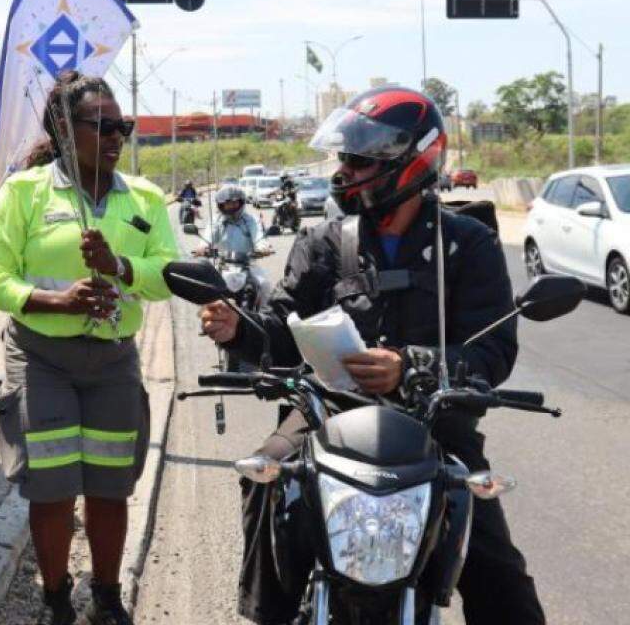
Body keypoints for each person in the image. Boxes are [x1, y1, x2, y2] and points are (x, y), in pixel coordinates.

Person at [199, 86, 545, 624]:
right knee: (264, 476)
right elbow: (283, 328)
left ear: (410, 162)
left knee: (495, 564)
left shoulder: (468, 244)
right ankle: (268, 615)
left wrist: (411, 366)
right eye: (345, 158)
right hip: (330, 415)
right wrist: (235, 330)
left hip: (435, 421)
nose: (345, 172)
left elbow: (494, 350)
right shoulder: (324, 242)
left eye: (360, 160)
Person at [0, 71, 179, 625]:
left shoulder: (144, 198)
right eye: (103, 126)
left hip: (113, 358)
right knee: (52, 488)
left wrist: (119, 267)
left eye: (124, 127)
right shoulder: (24, 193)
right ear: (65, 131)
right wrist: (53, 301)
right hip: (42, 357)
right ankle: (56, 597)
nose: (118, 137)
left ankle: (108, 599)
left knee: (110, 485)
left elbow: (167, 275)